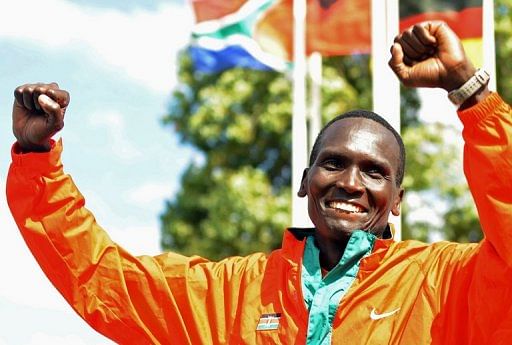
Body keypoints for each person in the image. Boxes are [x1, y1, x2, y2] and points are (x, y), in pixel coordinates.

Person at [7, 21, 512, 344]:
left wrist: (471, 94)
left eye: (375, 172)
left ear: (396, 200)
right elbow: (100, 279)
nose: (350, 183)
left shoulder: (449, 284)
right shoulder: (231, 293)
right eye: (333, 164)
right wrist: (35, 158)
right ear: (304, 182)